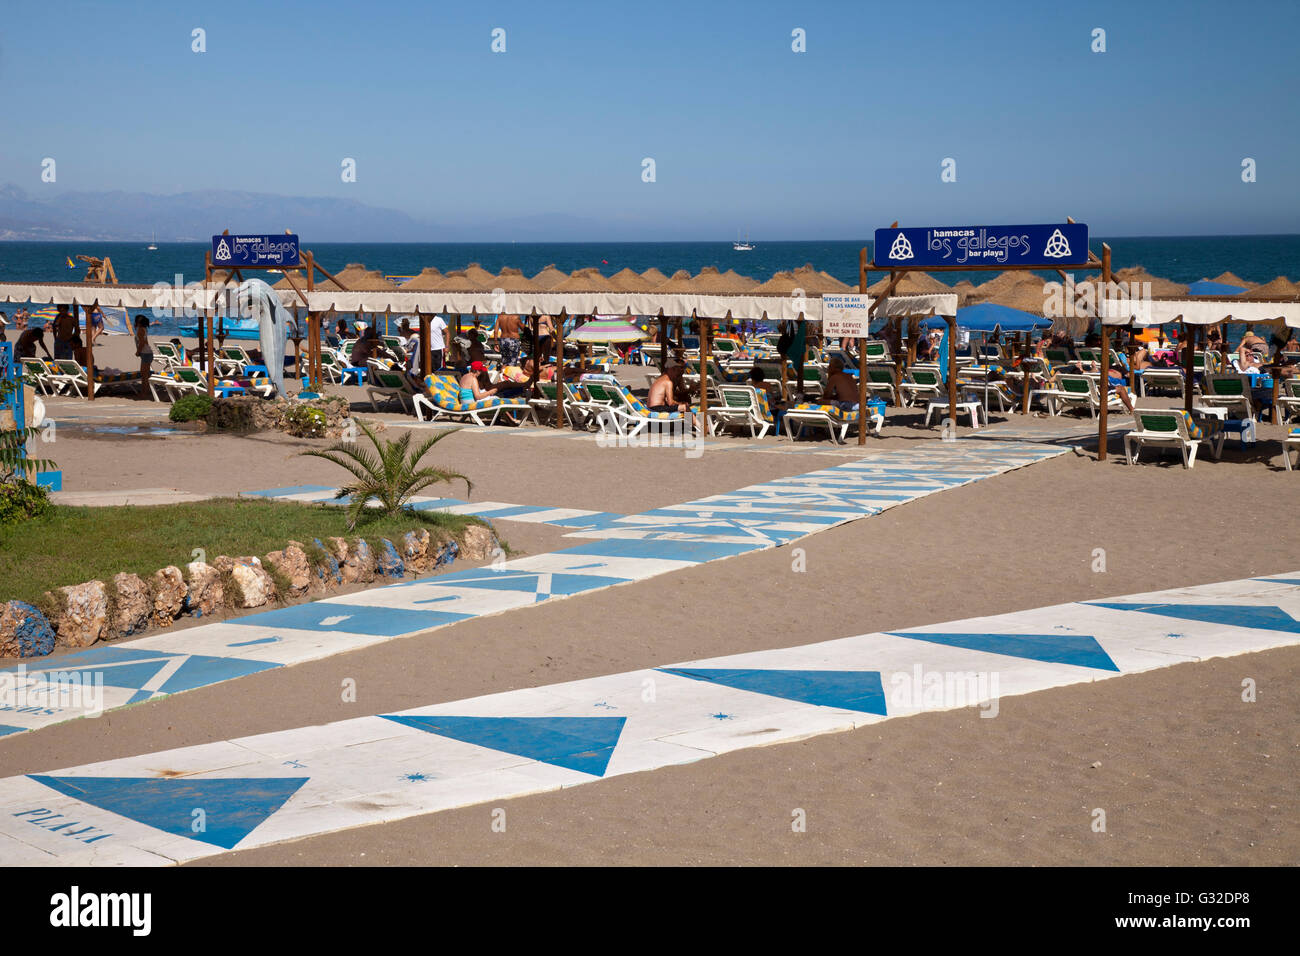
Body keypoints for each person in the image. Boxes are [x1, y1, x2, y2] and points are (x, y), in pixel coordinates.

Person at [133, 315, 153, 397]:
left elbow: (141, 343)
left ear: (138, 322)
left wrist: (138, 352)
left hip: (145, 353)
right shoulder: (144, 329)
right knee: (146, 374)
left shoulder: (140, 330)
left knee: (144, 374)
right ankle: (147, 390)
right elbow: (146, 342)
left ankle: (144, 393)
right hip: (147, 353)